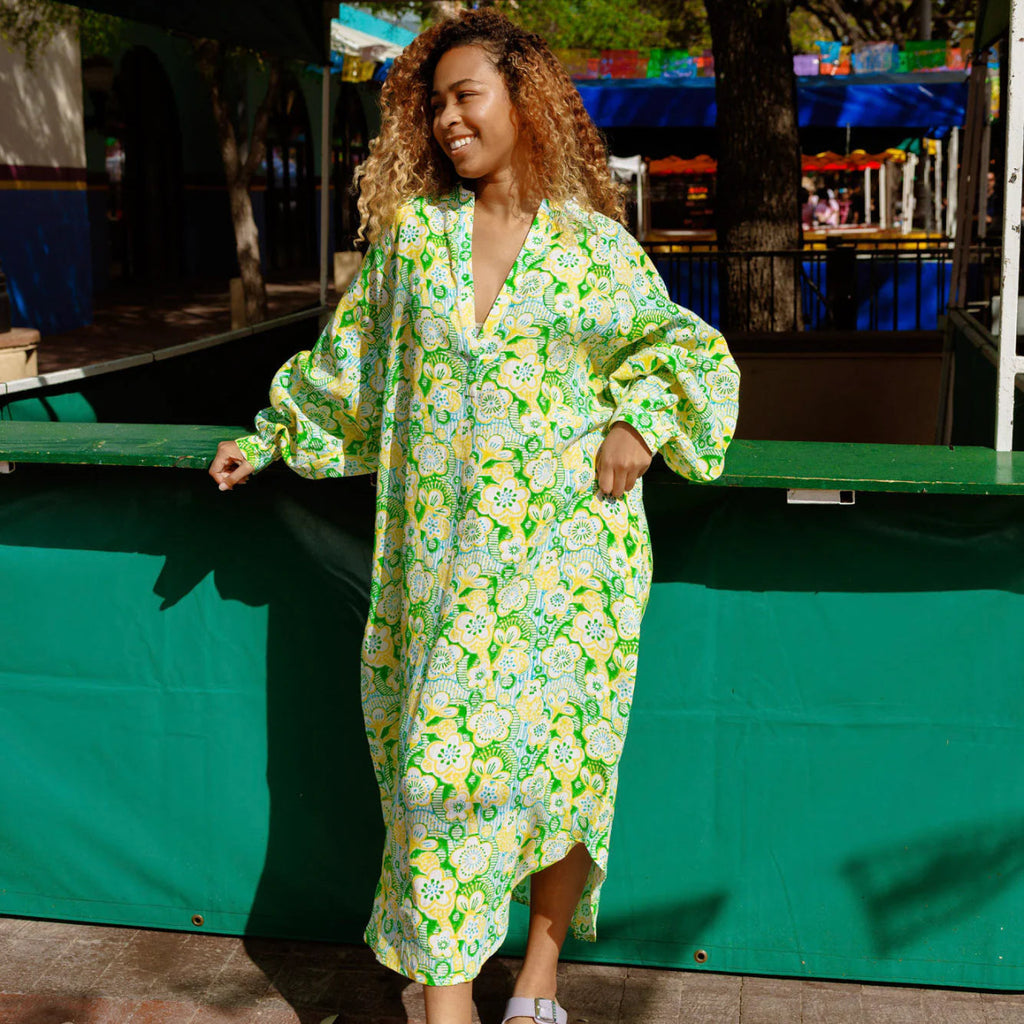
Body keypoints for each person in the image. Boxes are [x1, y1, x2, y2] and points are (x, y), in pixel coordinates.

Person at [209, 10, 738, 1024]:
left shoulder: (594, 250)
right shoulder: (414, 243)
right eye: (434, 104)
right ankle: (446, 1004)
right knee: (433, 782)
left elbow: (688, 355)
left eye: (467, 96)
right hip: (443, 576)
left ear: (523, 101)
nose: (448, 120)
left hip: (573, 567)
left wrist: (641, 417)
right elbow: (349, 371)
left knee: (565, 772)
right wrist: (269, 435)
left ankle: (539, 977)